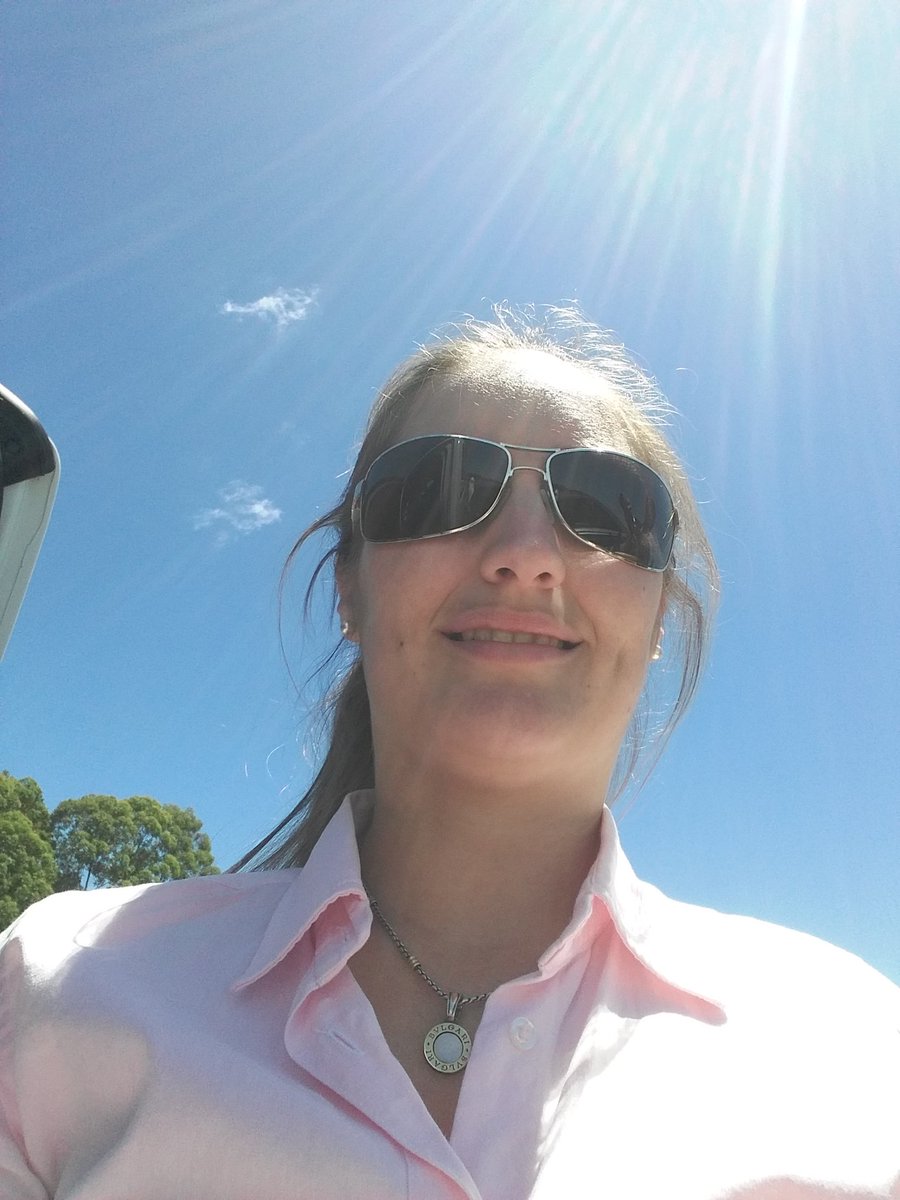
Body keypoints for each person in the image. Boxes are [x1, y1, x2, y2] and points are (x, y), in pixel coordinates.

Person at [1, 308, 897, 1200]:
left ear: (658, 612)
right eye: (440, 488)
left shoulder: (853, 1046)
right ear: (349, 589)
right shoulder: (58, 984)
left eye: (607, 507)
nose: (526, 555)